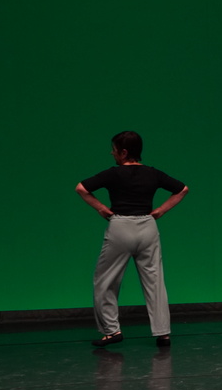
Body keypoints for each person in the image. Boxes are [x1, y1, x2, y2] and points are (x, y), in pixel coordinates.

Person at [76, 131, 189, 348]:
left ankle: (112, 330)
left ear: (124, 152)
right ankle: (163, 333)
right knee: (155, 281)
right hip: (148, 227)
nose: (112, 153)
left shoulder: (114, 174)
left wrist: (101, 208)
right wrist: (161, 211)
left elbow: (81, 188)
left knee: (105, 280)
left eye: (114, 150)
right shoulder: (153, 173)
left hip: (121, 226)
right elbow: (182, 189)